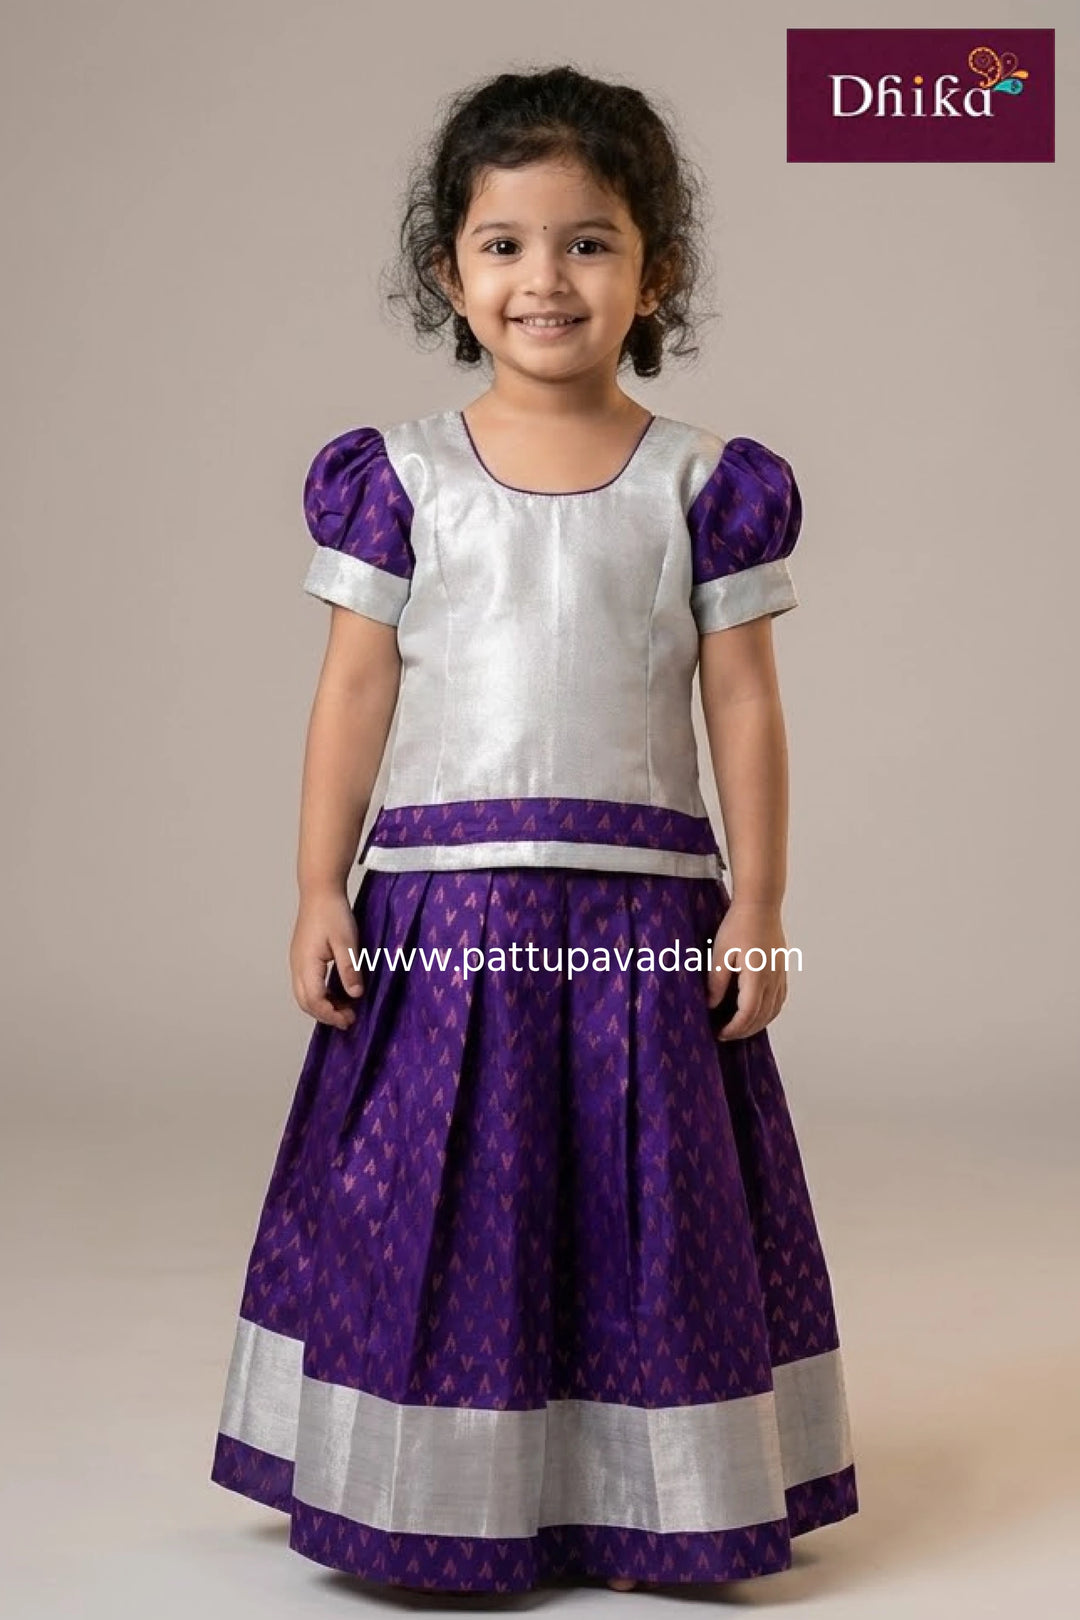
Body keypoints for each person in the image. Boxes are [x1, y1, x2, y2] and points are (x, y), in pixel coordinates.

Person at [209, 63, 858, 1596]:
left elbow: (744, 712)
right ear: (450, 270)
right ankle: (438, 1494)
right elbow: (354, 689)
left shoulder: (702, 484)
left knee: (643, 1215)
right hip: (442, 920)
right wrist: (318, 883)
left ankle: (654, 1498)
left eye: (587, 242)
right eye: (504, 245)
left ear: (656, 271)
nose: (544, 279)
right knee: (449, 1207)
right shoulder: (404, 479)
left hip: (639, 925)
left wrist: (757, 903)